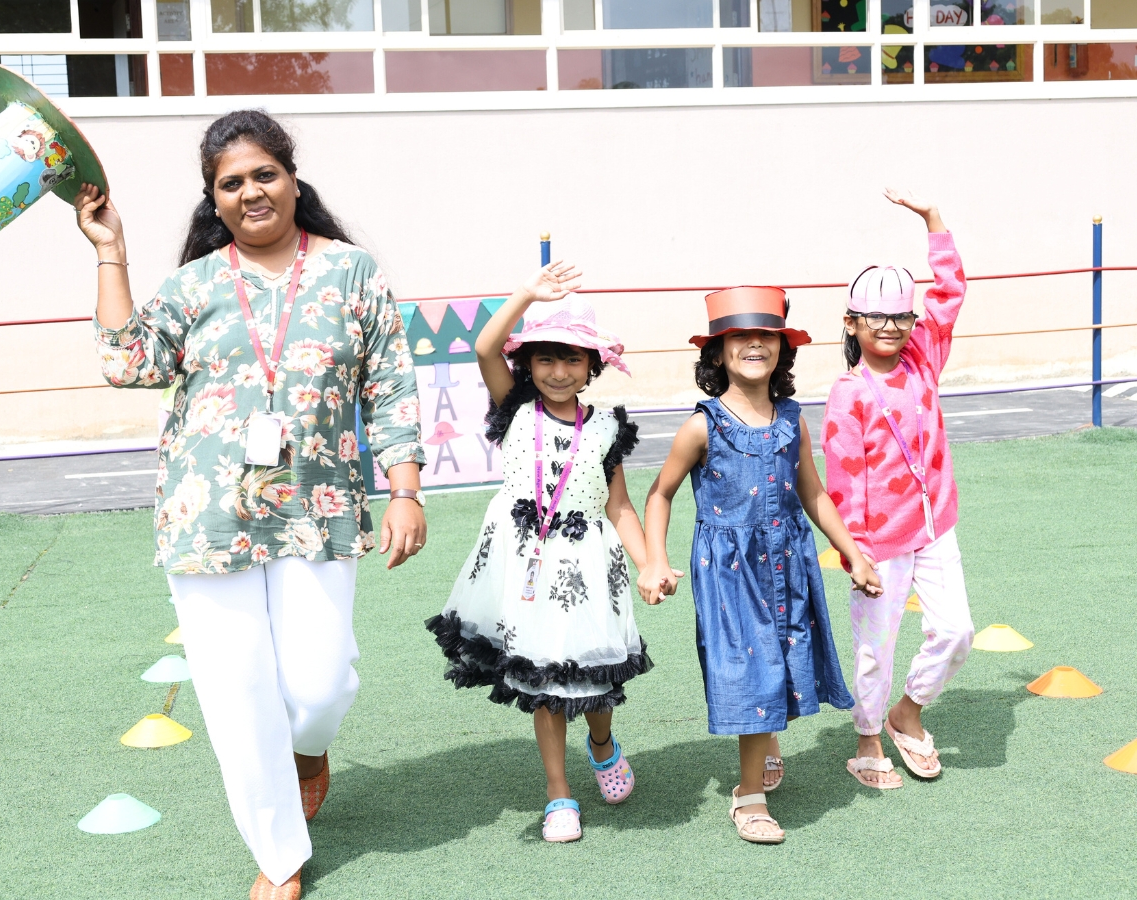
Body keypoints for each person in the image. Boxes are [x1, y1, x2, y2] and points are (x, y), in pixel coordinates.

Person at [74, 110, 426, 900]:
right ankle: (279, 855)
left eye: (263, 173)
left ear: (293, 177)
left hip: (320, 506)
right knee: (236, 694)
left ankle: (308, 749)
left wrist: (403, 487)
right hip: (207, 516)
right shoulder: (196, 284)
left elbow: (392, 387)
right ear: (214, 199)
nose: (250, 191)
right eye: (229, 183)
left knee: (319, 684)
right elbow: (127, 363)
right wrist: (112, 253)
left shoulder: (353, 272)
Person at [638, 285, 880, 844]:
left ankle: (766, 740)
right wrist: (655, 560)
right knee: (751, 669)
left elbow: (813, 492)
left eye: (765, 336)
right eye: (739, 338)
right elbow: (660, 493)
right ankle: (748, 795)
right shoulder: (702, 425)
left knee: (784, 657)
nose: (754, 345)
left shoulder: (793, 419)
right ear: (718, 354)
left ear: (782, 349)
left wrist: (854, 553)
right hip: (728, 572)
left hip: (788, 559)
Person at [425, 263, 653, 843]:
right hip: (520, 562)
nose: (558, 371)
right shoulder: (515, 411)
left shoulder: (606, 427)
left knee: (591, 676)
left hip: (586, 567)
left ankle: (602, 744)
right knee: (541, 678)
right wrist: (527, 292)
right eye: (546, 358)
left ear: (591, 367)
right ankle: (558, 793)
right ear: (527, 364)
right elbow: (482, 346)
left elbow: (620, 507)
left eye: (572, 359)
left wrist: (651, 561)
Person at [823, 189, 975, 789]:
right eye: (875, 318)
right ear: (852, 322)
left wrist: (935, 221)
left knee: (957, 630)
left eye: (901, 317)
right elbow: (842, 481)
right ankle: (866, 740)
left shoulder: (923, 357)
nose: (890, 328)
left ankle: (906, 711)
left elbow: (951, 293)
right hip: (878, 543)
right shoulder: (848, 392)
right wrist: (855, 554)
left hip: (936, 523)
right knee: (874, 647)